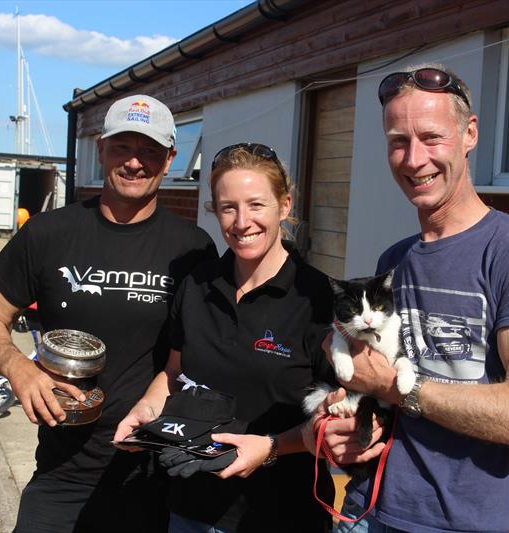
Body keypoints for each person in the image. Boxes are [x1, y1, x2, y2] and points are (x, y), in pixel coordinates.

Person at [310, 64, 509, 533]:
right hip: (364, 510)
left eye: (432, 137)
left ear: (470, 134)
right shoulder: (395, 260)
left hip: (459, 524)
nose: (414, 159)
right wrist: (346, 426)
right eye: (397, 141)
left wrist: (396, 387)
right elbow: (369, 388)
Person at [0, 94, 217, 533]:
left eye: (150, 151)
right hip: (61, 471)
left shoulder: (193, 248)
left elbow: (195, 355)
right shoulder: (49, 233)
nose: (135, 163)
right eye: (123, 147)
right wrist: (19, 370)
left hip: (151, 471)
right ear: (101, 149)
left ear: (170, 160)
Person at [114, 142, 349, 533]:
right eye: (228, 207)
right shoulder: (197, 284)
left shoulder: (319, 300)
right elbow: (173, 373)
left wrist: (271, 447)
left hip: (282, 514)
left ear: (285, 205)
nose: (242, 222)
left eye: (256, 205)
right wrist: (146, 411)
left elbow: (336, 420)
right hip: (192, 510)